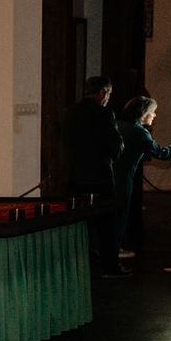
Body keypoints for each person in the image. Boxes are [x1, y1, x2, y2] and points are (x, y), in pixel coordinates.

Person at [64, 75, 124, 276]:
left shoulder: (71, 113)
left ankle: (83, 264)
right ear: (103, 93)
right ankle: (109, 265)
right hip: (100, 173)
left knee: (80, 221)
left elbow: (66, 141)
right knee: (107, 222)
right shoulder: (104, 113)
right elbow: (115, 145)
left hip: (77, 172)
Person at [113, 97, 171, 254]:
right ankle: (114, 251)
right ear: (143, 113)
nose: (154, 115)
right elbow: (163, 153)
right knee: (120, 213)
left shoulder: (117, 126)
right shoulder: (139, 132)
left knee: (110, 214)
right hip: (123, 178)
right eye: (153, 112)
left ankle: (108, 248)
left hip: (109, 176)